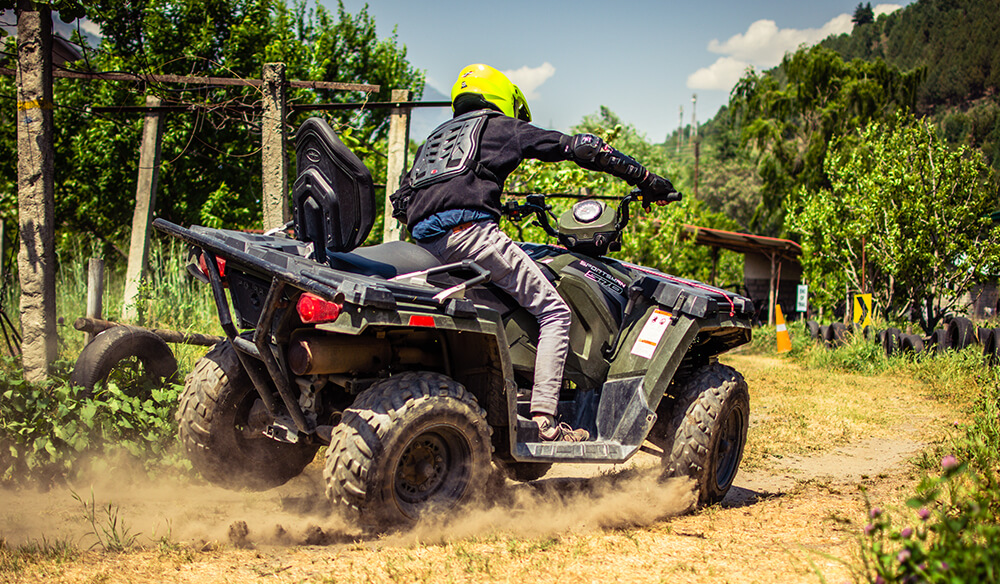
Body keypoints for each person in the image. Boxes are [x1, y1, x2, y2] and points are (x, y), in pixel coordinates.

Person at [390, 64, 678, 442]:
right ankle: (544, 419)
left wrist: (492, 206)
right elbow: (583, 147)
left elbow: (402, 202)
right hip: (472, 238)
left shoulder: (434, 140)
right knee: (555, 311)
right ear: (502, 96)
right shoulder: (498, 126)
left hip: (425, 248)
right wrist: (647, 180)